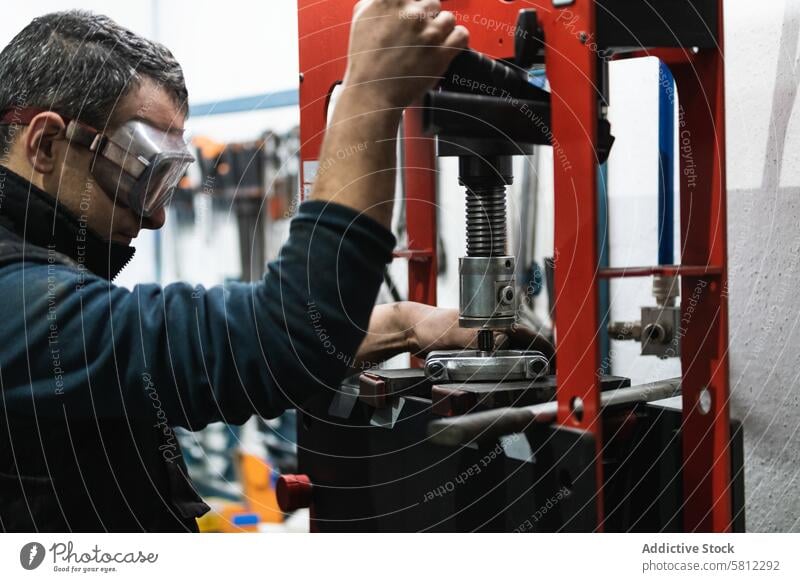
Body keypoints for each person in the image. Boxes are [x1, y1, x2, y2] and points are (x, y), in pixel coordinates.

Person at [0, 1, 547, 532]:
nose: (159, 216)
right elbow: (283, 335)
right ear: (46, 143)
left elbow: (214, 343)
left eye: (168, 180)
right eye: (143, 173)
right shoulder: (15, 305)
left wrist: (405, 324)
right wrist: (371, 94)